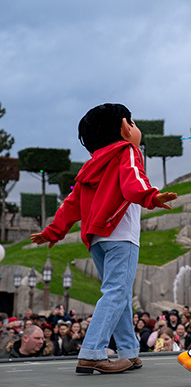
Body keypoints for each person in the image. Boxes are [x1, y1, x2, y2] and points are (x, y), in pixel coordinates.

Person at [30, 103, 178, 374]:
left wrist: (53, 231)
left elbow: (72, 203)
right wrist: (151, 196)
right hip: (121, 234)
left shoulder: (90, 166)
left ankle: (129, 351)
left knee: (120, 295)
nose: (135, 127)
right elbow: (133, 181)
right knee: (116, 293)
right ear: (124, 127)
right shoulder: (127, 151)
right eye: (132, 122)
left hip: (96, 238)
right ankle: (92, 352)